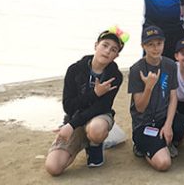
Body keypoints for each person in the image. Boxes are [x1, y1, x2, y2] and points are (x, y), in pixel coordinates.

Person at [45, 26, 127, 176]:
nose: (108, 51)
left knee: (96, 129)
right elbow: (68, 106)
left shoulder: (115, 76)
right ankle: (83, 139)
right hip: (74, 119)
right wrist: (95, 93)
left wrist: (72, 125)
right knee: (53, 167)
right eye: (105, 45)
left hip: (98, 117)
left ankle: (95, 144)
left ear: (116, 56)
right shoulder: (74, 70)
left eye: (114, 50)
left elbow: (102, 107)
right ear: (96, 46)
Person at [128, 26, 184, 171]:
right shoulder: (136, 69)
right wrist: (148, 87)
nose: (155, 48)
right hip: (144, 124)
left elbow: (173, 97)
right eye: (150, 44)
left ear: (164, 43)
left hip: (164, 118)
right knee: (164, 164)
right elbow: (140, 108)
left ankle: (166, 140)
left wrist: (168, 125)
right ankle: (143, 147)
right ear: (143, 46)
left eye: (159, 43)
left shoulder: (170, 65)